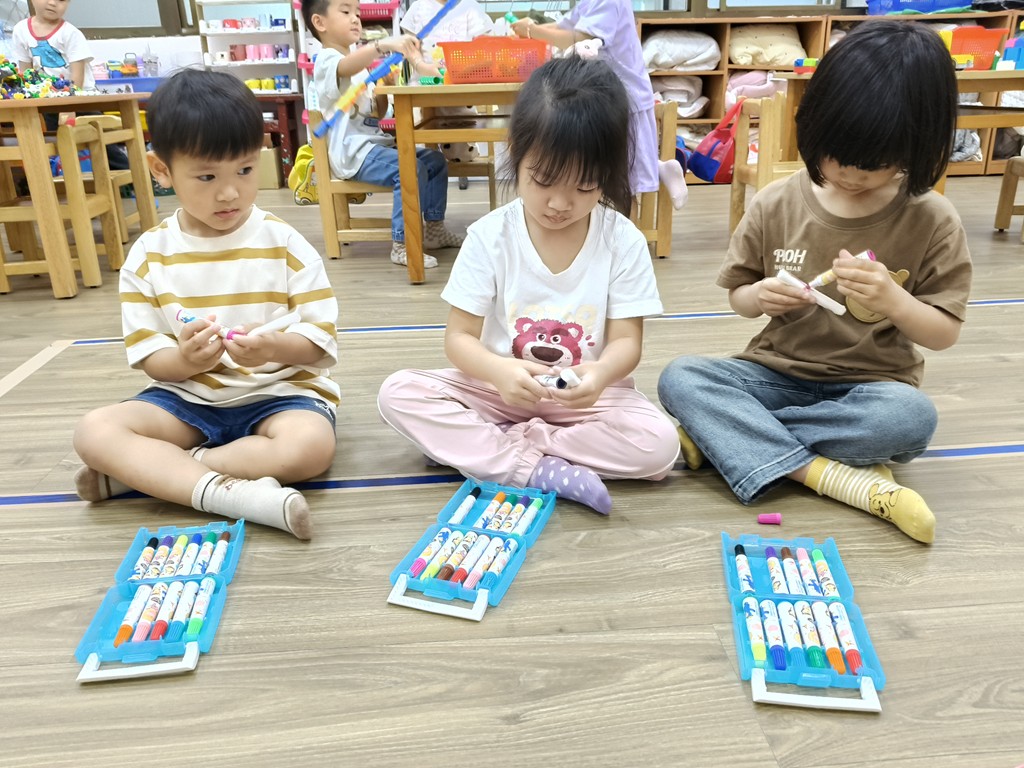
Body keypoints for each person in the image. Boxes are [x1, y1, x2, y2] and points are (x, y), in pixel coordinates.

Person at [657, 21, 972, 544]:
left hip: (871, 388)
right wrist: (759, 296)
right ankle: (833, 475)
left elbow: (943, 333)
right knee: (680, 376)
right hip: (773, 376)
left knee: (911, 419)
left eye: (874, 166)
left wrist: (894, 299)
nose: (850, 175)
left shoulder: (933, 218)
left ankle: (727, 439)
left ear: (919, 146)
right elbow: (739, 298)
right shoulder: (776, 202)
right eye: (835, 156)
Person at [377, 57, 680, 515]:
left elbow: (626, 343)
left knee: (659, 445)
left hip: (583, 399)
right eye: (543, 181)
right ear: (515, 153)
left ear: (608, 175)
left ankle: (495, 450)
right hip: (498, 390)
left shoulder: (622, 240)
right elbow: (459, 339)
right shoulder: (490, 236)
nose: (559, 203)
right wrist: (499, 372)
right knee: (399, 392)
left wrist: (599, 375)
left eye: (584, 187)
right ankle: (536, 468)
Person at [72, 70, 341, 541]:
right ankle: (229, 493)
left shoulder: (284, 242)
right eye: (207, 176)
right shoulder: (149, 255)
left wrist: (274, 347)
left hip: (280, 396)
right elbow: (151, 358)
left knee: (310, 447)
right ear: (161, 170)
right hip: (187, 398)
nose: (230, 192)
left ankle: (158, 474)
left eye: (244, 170)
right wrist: (186, 360)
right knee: (93, 431)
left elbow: (319, 343)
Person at [301, 0, 464, 270]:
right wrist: (382, 45)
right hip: (353, 154)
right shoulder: (327, 60)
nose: (355, 18)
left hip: (373, 147)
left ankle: (435, 230)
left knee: (435, 161)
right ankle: (403, 244)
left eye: (357, 13)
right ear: (320, 22)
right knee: (410, 168)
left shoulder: (360, 67)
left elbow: (376, 114)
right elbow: (345, 67)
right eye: (345, 12)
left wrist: (382, 87)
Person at [511, 0, 687, 210]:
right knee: (603, 172)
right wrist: (530, 28)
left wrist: (532, 30)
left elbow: (581, 37)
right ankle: (660, 168)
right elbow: (563, 27)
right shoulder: (589, 3)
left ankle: (630, 221)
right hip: (604, 98)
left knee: (622, 185)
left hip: (625, 101)